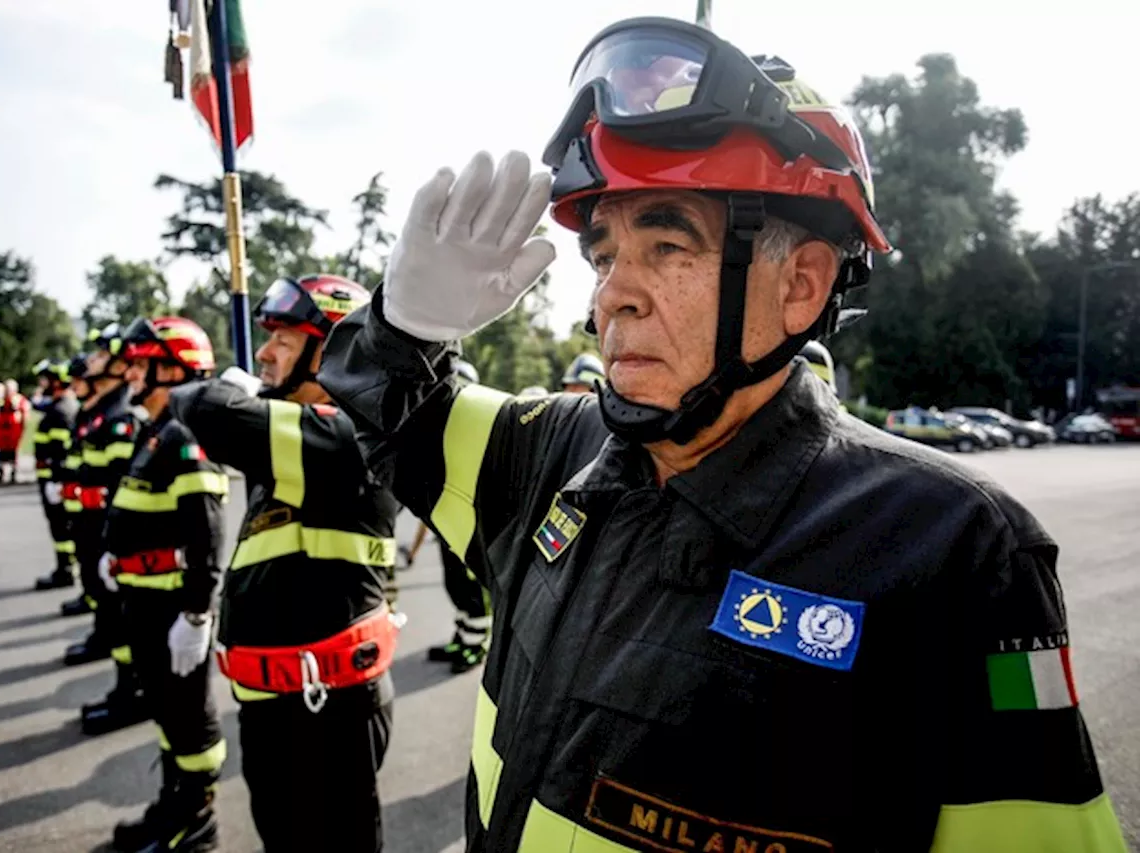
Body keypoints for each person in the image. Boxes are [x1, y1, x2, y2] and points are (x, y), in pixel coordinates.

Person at [319, 18, 1127, 852]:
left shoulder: (953, 550)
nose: (611, 299)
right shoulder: (551, 449)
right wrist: (404, 322)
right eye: (603, 256)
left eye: (667, 245)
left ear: (802, 285)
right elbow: (393, 410)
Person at [169, 274, 400, 853]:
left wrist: (235, 390)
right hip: (282, 707)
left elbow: (203, 406)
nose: (266, 353)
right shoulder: (297, 441)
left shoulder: (347, 437)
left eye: (285, 340)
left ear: (333, 352)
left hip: (325, 713)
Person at [99, 317, 228, 853]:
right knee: (165, 710)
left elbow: (206, 533)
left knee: (188, 714)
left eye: (139, 362)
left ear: (174, 368)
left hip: (173, 605)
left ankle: (197, 819)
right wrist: (116, 553)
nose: (128, 372)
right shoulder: (154, 429)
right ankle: (173, 801)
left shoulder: (186, 433)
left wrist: (196, 615)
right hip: (143, 598)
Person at [62, 325, 149, 736]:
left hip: (108, 533)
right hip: (92, 527)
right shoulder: (100, 410)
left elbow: (121, 493)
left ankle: (131, 693)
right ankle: (123, 689)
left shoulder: (121, 417)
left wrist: (113, 547)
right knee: (112, 618)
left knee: (123, 621)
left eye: (100, 355)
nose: (91, 361)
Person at [403, 359, 492, 673]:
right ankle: (462, 637)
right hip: (447, 525)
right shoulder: (437, 434)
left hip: (472, 529)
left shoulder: (481, 434)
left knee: (473, 591)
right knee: (455, 585)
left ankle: (476, 646)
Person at [32, 360, 81, 591]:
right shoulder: (59, 407)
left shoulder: (61, 410)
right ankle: (66, 567)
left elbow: (61, 453)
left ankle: (66, 570)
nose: (41, 384)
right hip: (50, 478)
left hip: (55, 480)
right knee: (59, 527)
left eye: (45, 380)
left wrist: (56, 481)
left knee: (62, 527)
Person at [0, 378, 29, 484]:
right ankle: (1, 472)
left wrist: (23, 429)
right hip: (1, 430)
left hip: (14, 430)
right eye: (7, 389)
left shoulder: (20, 400)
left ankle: (13, 472)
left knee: (13, 452)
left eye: (11, 389)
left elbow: (24, 415)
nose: (8, 392)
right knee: (2, 453)